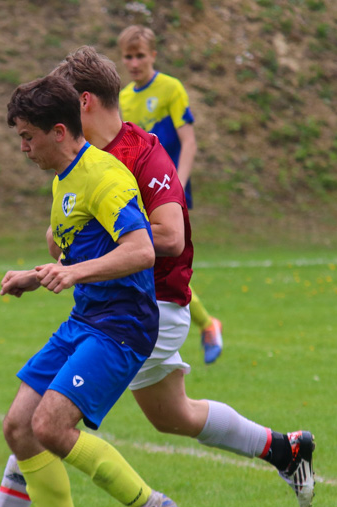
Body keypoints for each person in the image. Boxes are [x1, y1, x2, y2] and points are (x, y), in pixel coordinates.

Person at [0, 46, 315, 507]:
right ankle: (284, 449)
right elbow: (68, 238)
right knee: (172, 415)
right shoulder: (75, 168)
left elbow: (170, 238)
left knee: (44, 419)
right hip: (103, 302)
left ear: (80, 104)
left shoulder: (140, 156)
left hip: (151, 305)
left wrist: (89, 252)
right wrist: (62, 248)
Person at [0, 74, 177, 507]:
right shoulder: (63, 181)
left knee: (51, 426)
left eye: (27, 136)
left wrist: (72, 271)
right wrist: (36, 277)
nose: (23, 149)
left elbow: (142, 250)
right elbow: (74, 256)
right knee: (18, 426)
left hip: (122, 324)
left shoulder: (103, 175)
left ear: (59, 131)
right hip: (87, 319)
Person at [118, 25, 224, 364]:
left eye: (140, 55)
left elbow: (188, 141)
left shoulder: (170, 89)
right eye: (128, 57)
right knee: (149, 266)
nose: (134, 63)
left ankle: (203, 326)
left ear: (153, 55)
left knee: (161, 265)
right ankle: (192, 331)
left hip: (167, 189)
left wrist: (176, 183)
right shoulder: (121, 98)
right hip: (138, 193)